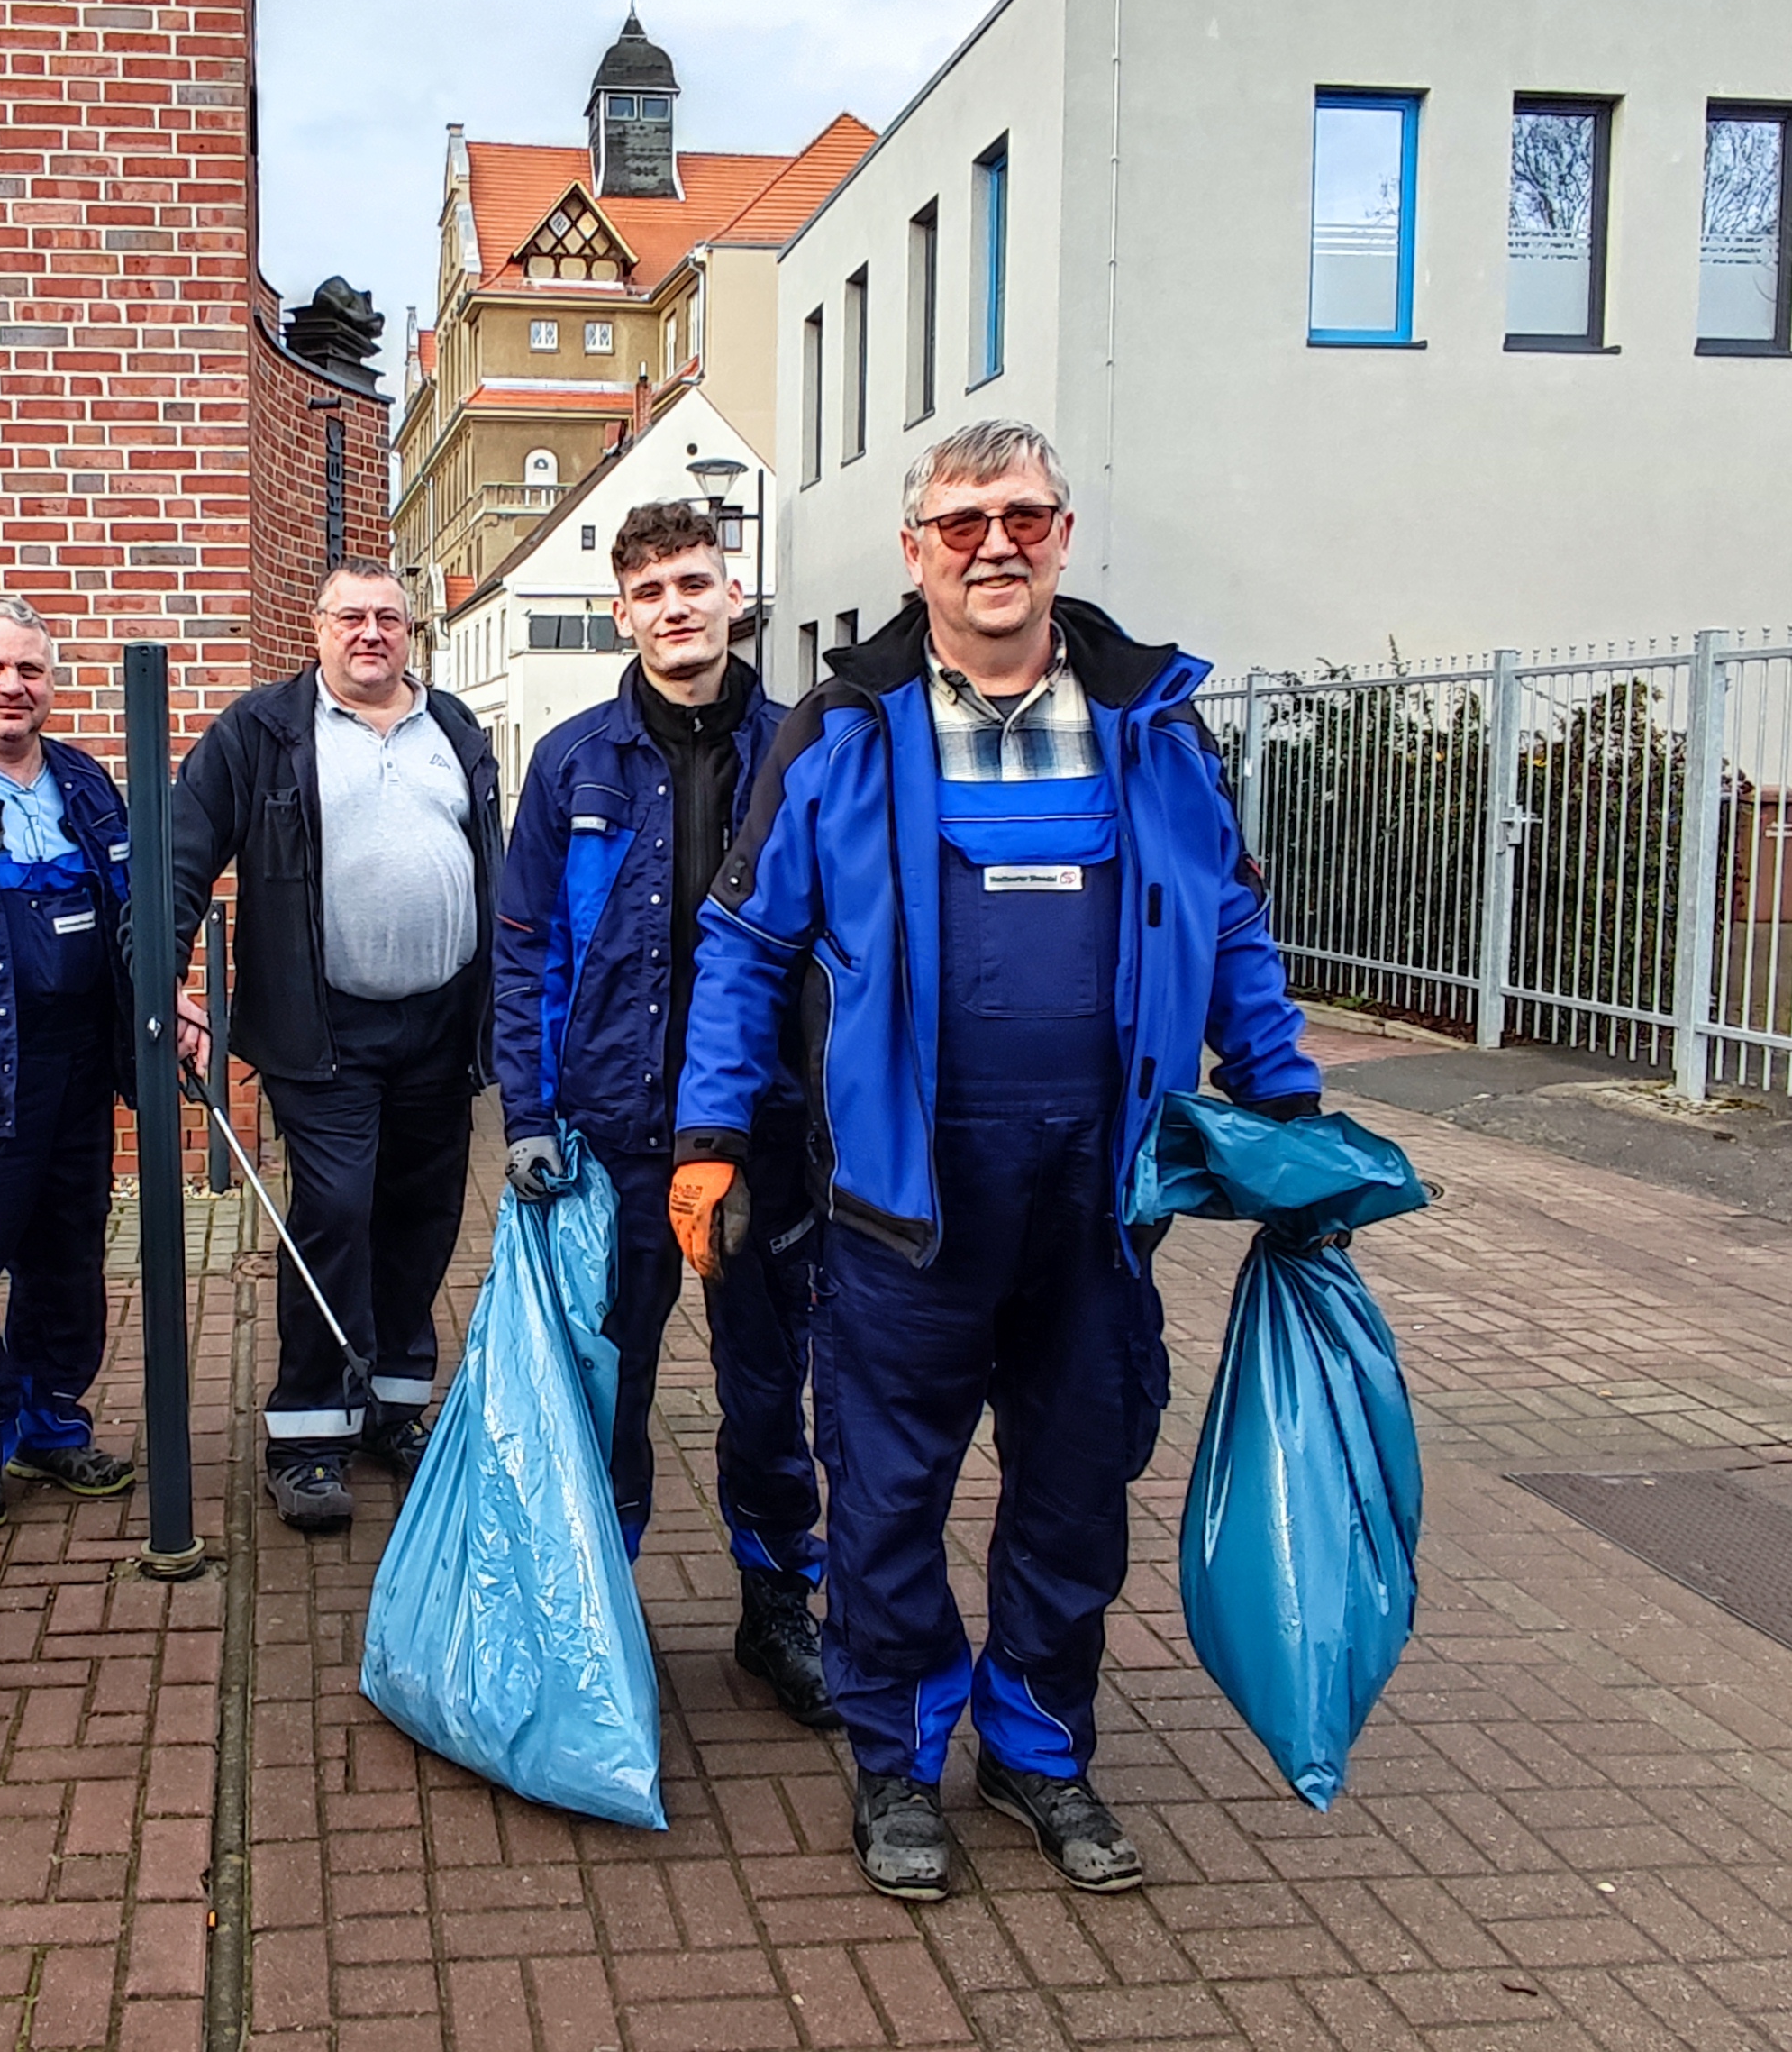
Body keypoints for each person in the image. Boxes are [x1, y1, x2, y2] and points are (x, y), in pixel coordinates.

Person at [673, 418, 1319, 1903]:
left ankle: (1037, 1745)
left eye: (1021, 515)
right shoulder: (843, 725)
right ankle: (898, 1759)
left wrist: (1284, 1101)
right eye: (960, 523)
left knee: (1078, 1489)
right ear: (916, 553)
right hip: (904, 1204)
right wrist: (710, 1133)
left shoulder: (1153, 721)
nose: (993, 545)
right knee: (889, 1497)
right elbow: (748, 942)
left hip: (1103, 1198)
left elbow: (1227, 921)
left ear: (1064, 534)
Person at [492, 500, 834, 1730]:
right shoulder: (574, 762)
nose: (675, 607)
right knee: (608, 1385)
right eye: (650, 592)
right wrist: (529, 1112)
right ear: (624, 612)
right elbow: (523, 948)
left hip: (764, 1138)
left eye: (695, 583)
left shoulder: (812, 747)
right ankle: (595, 1604)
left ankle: (776, 1605)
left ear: (733, 593)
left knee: (766, 1384)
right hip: (616, 1137)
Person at [170, 563, 501, 1532]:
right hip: (324, 1031)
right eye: (350, 616)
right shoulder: (262, 731)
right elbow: (182, 855)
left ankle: (393, 1405)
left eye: (388, 618)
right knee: (335, 1211)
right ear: (315, 629)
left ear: (412, 632)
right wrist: (171, 977)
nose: (370, 633)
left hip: (441, 1026)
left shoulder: (457, 730)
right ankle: (308, 1432)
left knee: (422, 1216)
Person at [0, 598, 137, 1533]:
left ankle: (51, 1420)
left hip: (78, 1061)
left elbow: (135, 914)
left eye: (31, 672)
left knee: (67, 1252)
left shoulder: (85, 785)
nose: (12, 688)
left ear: (51, 683)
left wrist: (169, 999)